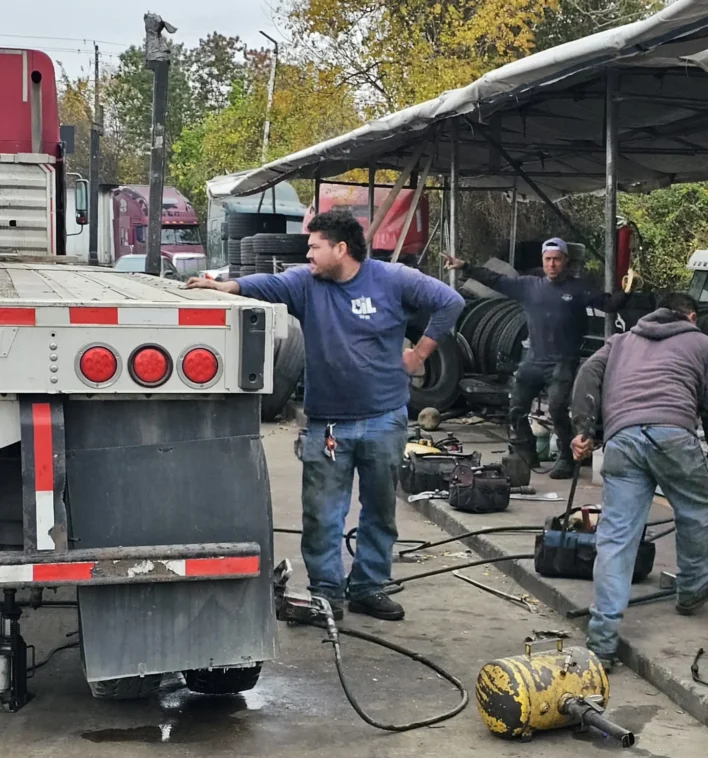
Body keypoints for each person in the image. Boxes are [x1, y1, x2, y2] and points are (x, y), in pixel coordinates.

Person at [186, 209, 464, 622]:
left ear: (341, 248)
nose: (308, 255)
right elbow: (269, 285)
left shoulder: (392, 279)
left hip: (384, 418)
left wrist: (420, 354)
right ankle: (326, 594)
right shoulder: (306, 283)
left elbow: (450, 302)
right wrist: (226, 285)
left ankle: (368, 587)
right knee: (323, 515)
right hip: (327, 424)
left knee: (380, 511)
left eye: (315, 247)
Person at [569, 292, 708, 669]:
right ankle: (692, 588)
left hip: (622, 439)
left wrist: (583, 429)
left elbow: (587, 373)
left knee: (616, 535)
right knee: (695, 512)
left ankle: (602, 642)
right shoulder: (704, 344)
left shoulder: (620, 341)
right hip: (674, 435)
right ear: (691, 317)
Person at [444, 239, 627, 478]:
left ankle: (566, 457)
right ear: (542, 261)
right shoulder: (529, 285)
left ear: (565, 261)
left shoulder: (578, 288)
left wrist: (628, 290)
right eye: (548, 259)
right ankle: (526, 452)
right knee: (516, 408)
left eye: (557, 259)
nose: (552, 264)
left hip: (562, 360)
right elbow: (495, 280)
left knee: (557, 408)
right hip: (533, 359)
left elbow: (609, 304)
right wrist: (465, 266)